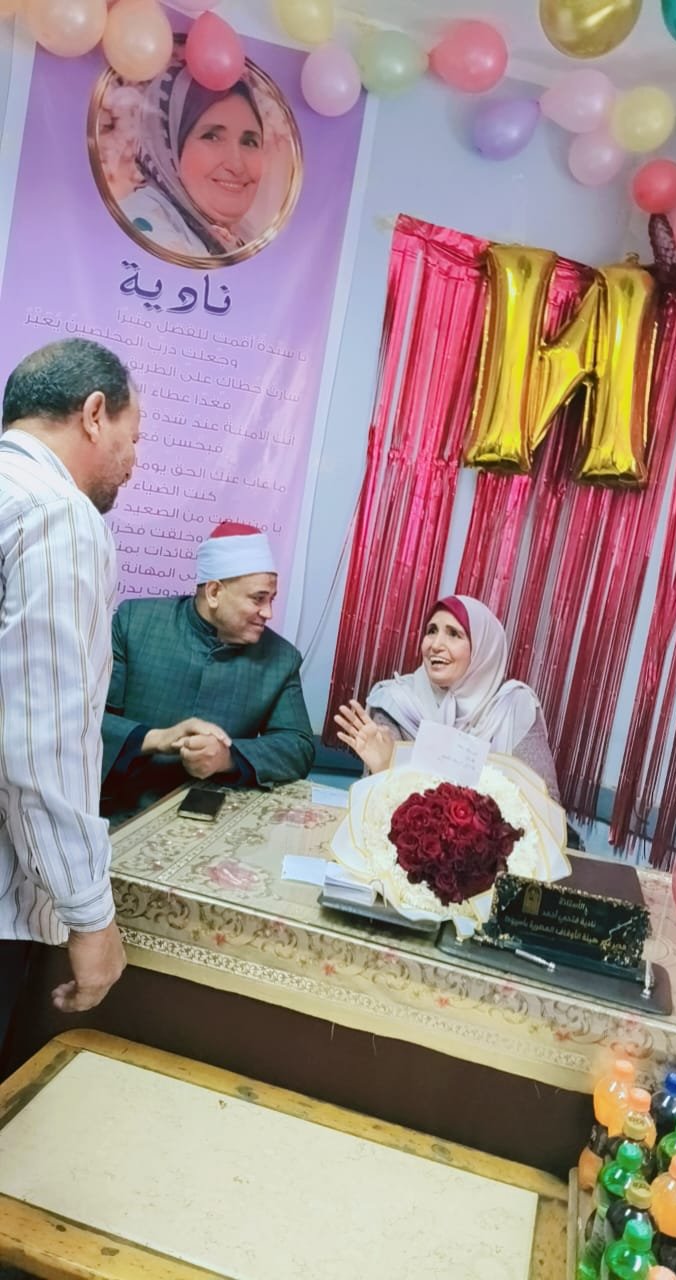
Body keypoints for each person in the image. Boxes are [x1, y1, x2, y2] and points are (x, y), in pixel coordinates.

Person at [0, 339, 140, 1020]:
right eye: (132, 438)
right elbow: (41, 737)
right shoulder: (56, 513)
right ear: (93, 414)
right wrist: (89, 915)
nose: (133, 463)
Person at [101, 523, 314, 822]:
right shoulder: (135, 623)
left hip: (219, 816)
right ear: (214, 592)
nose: (268, 613)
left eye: (272, 599)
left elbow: (298, 746)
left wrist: (227, 757)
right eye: (258, 598)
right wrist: (158, 738)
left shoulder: (281, 658)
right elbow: (88, 719)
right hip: (121, 809)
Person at [334, 595, 560, 800]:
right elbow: (376, 805)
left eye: (453, 634)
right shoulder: (394, 701)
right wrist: (383, 770)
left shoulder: (513, 707)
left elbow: (546, 803)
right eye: (431, 631)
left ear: (483, 649)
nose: (435, 645)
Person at [120, 59, 266, 258]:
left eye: (249, 142)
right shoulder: (140, 223)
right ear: (168, 146)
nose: (237, 165)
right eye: (212, 137)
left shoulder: (238, 239)